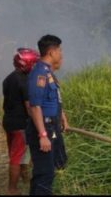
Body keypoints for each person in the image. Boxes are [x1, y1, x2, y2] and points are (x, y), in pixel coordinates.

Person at [26, 35, 69, 195]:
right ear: (51, 52)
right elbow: (35, 106)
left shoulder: (48, 73)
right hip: (44, 127)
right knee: (45, 173)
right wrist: (42, 135)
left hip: (51, 125)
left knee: (49, 169)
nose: (61, 54)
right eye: (59, 50)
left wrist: (62, 117)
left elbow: (54, 100)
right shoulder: (39, 74)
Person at [2, 48, 39, 194]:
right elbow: (29, 107)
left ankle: (24, 178)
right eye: (33, 63)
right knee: (17, 157)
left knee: (17, 153)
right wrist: (38, 123)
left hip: (8, 121)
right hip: (20, 124)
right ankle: (12, 189)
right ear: (27, 63)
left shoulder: (8, 78)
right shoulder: (24, 81)